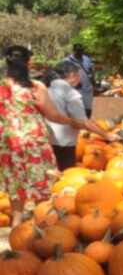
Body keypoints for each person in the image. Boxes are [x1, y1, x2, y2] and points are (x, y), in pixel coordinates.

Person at [0, 46, 110, 209]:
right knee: (41, 183)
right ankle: (41, 218)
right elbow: (53, 115)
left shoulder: (2, 87)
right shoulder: (35, 86)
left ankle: (16, 220)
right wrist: (72, 122)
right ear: (28, 64)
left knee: (16, 183)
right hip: (33, 140)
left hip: (9, 141)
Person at [44, 60, 90, 170]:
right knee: (66, 175)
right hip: (65, 143)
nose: (80, 78)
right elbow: (81, 122)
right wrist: (106, 134)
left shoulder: (46, 90)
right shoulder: (71, 93)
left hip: (47, 140)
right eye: (79, 75)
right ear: (72, 75)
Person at [66, 43, 95, 113]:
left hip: (87, 89)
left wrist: (93, 81)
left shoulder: (86, 59)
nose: (79, 52)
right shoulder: (67, 61)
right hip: (75, 90)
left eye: (80, 51)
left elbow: (91, 70)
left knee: (88, 110)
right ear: (74, 51)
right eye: (77, 51)